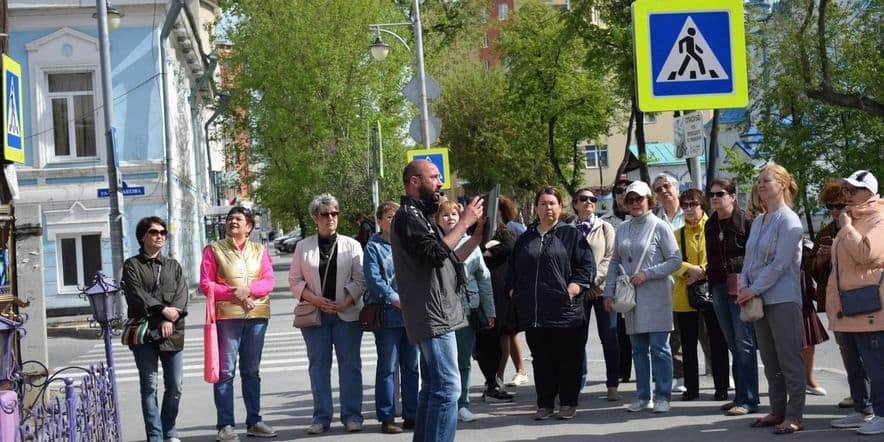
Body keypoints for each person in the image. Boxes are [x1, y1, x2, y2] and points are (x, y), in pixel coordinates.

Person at [391, 159, 484, 442]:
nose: (440, 181)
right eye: (434, 176)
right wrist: (465, 221)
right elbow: (433, 254)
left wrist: (476, 237)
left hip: (435, 312)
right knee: (447, 388)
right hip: (432, 314)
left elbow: (447, 259)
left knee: (433, 387)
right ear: (415, 182)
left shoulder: (421, 216)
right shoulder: (408, 216)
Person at [508, 186, 596, 420]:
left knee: (568, 358)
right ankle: (545, 403)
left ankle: (568, 402)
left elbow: (586, 266)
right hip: (535, 311)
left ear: (560, 207)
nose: (548, 208)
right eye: (543, 203)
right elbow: (514, 269)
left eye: (552, 203)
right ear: (536, 208)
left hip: (565, 310)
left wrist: (575, 287)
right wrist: (513, 290)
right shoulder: (526, 238)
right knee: (542, 359)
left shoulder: (571, 235)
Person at [289, 193, 367, 435]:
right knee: (319, 366)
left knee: (351, 365)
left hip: (347, 314)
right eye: (325, 214)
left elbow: (361, 278)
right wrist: (314, 299)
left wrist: (346, 301)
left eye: (334, 213)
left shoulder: (351, 244)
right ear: (315, 217)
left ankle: (352, 416)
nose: (331, 218)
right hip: (315, 315)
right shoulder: (303, 246)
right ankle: (321, 417)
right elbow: (294, 280)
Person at [738, 163, 806, 435]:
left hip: (782, 298)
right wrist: (744, 286)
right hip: (758, 299)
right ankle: (777, 410)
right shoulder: (758, 220)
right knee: (769, 358)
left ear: (782, 184)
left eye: (767, 180)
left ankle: (795, 415)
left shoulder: (789, 220)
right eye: (759, 181)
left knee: (789, 359)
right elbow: (749, 260)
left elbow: (780, 264)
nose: (761, 185)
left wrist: (753, 290)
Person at [200, 206, 276, 441]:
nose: (233, 221)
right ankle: (225, 425)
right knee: (225, 372)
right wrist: (235, 293)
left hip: (257, 318)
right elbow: (206, 284)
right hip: (227, 318)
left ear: (249, 226)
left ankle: (254, 421)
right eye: (230, 218)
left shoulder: (259, 250)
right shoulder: (214, 249)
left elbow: (269, 280)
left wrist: (249, 291)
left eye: (238, 219)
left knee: (251, 371)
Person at [604, 181, 681, 414]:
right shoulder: (623, 228)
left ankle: (663, 395)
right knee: (638, 349)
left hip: (656, 295)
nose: (636, 203)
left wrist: (647, 274)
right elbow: (614, 261)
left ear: (649, 199)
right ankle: (642, 395)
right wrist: (608, 292)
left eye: (640, 198)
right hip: (631, 298)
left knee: (660, 348)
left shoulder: (659, 226)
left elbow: (675, 261)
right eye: (631, 199)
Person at [826, 170, 884, 436]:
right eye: (845, 190)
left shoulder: (879, 218)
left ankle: (882, 414)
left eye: (853, 190)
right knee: (853, 364)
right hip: (846, 307)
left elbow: (866, 253)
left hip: (869, 307)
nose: (847, 195)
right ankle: (863, 409)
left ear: (869, 193)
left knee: (875, 365)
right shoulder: (851, 219)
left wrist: (846, 228)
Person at [122, 217, 188, 442]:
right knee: (149, 386)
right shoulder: (132, 265)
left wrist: (172, 316)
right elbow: (137, 295)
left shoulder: (173, 265)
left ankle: (169, 428)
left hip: (173, 332)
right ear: (143, 236)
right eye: (153, 232)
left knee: (175, 386)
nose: (159, 236)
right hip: (144, 333)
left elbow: (182, 294)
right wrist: (163, 313)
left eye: (162, 232)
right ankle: (156, 436)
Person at [435, 200, 497, 422]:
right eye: (445, 215)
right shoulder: (434, 244)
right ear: (437, 219)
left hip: (466, 311)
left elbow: (483, 279)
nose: (450, 218)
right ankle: (444, 404)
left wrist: (489, 311)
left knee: (463, 360)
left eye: (454, 214)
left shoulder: (471, 245)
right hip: (440, 312)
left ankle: (462, 404)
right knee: (442, 362)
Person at [704, 177, 759, 416]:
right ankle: (741, 395)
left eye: (720, 194)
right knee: (732, 343)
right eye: (712, 194)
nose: (715, 198)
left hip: (740, 286)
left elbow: (754, 258)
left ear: (733, 197)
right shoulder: (711, 224)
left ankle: (748, 399)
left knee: (744, 343)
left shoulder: (747, 221)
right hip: (717, 286)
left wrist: (746, 280)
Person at [363, 201, 419, 434]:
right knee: (387, 366)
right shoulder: (373, 247)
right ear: (379, 220)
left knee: (412, 366)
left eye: (396, 216)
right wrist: (397, 300)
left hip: (412, 315)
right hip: (387, 315)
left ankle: (412, 414)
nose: (393, 221)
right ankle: (387, 417)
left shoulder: (409, 243)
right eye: (388, 217)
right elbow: (375, 281)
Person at [672, 189, 730, 402]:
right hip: (684, 294)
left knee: (717, 342)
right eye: (685, 205)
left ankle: (722, 386)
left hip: (711, 292)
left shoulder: (713, 227)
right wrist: (689, 270)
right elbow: (670, 260)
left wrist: (702, 271)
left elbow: (717, 255)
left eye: (693, 204)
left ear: (702, 205)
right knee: (688, 345)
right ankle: (691, 388)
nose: (689, 209)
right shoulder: (677, 234)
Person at [812, 181, 862, 410]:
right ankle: (857, 394)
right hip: (835, 299)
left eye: (839, 205)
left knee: (867, 351)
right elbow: (814, 272)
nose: (834, 210)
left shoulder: (861, 227)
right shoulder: (823, 233)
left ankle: (869, 399)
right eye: (830, 206)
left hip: (861, 297)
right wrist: (820, 260)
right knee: (846, 349)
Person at [571, 187, 620, 401]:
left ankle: (612, 384)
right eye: (584, 199)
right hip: (578, 293)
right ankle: (578, 380)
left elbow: (610, 258)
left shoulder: (606, 227)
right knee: (577, 338)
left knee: (609, 336)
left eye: (593, 199)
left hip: (602, 291)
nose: (589, 202)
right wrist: (581, 285)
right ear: (575, 203)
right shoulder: (568, 229)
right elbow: (566, 261)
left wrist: (592, 282)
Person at [477, 198, 520, 400]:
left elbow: (510, 247)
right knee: (486, 339)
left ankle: (496, 380)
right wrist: (486, 248)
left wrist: (489, 249)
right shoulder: (475, 231)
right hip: (481, 292)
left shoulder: (507, 232)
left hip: (501, 292)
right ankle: (492, 381)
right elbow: (475, 250)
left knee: (502, 335)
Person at [602, 175, 634, 383]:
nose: (621, 195)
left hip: (638, 278)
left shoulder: (639, 218)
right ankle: (622, 370)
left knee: (639, 328)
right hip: (616, 279)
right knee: (618, 330)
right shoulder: (607, 221)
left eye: (626, 191)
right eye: (618, 192)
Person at [497, 195, 529, 387]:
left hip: (508, 286)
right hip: (495, 286)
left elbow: (515, 253)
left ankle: (507, 373)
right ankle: (509, 372)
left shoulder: (514, 229)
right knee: (507, 332)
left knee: (509, 331)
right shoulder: (485, 229)